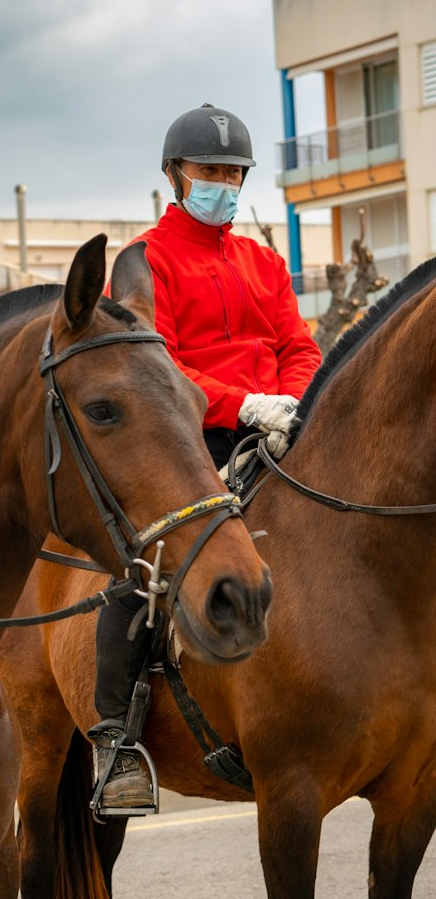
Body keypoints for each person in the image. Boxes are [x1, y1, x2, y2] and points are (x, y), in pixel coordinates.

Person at [90, 103, 321, 814]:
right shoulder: (142, 264)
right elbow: (158, 373)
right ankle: (115, 740)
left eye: (233, 173)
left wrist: (292, 405)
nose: (222, 183)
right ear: (174, 175)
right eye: (209, 171)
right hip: (191, 437)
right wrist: (245, 405)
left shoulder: (262, 259)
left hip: (281, 428)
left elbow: (299, 345)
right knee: (141, 571)